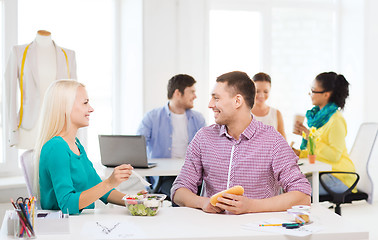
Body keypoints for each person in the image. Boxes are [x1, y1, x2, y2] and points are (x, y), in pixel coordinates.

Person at [171, 71, 311, 214]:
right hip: (212, 229)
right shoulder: (203, 138)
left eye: (216, 98)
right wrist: (203, 202)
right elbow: (179, 190)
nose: (210, 104)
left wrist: (251, 206)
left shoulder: (272, 140)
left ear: (237, 101)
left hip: (258, 230)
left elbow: (302, 196)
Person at [34, 80, 134, 214]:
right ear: (65, 107)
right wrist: (110, 182)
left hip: (80, 224)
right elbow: (68, 204)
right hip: (65, 229)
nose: (91, 109)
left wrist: (135, 201)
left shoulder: (76, 144)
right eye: (85, 103)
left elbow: (100, 188)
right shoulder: (56, 147)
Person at [137, 74, 206, 200]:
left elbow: (207, 149)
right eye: (191, 92)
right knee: (177, 193)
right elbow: (137, 147)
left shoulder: (198, 119)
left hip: (192, 175)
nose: (195, 96)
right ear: (177, 93)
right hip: (164, 177)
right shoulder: (152, 117)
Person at [5, 30, 77, 149]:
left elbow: (73, 96)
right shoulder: (19, 52)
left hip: (58, 127)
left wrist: (73, 133)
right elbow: (10, 93)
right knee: (31, 164)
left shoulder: (68, 56)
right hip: (29, 127)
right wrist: (12, 129)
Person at [293, 72, 355, 196]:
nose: (310, 94)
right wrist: (300, 153)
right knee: (287, 184)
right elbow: (316, 151)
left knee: (294, 190)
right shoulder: (319, 120)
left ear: (326, 94)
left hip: (339, 177)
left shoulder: (336, 120)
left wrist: (310, 137)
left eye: (313, 90)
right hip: (325, 173)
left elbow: (333, 156)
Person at [251, 72, 286, 139]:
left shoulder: (276, 114)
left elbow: (283, 143)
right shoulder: (244, 113)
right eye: (257, 91)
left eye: (265, 91)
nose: (261, 95)